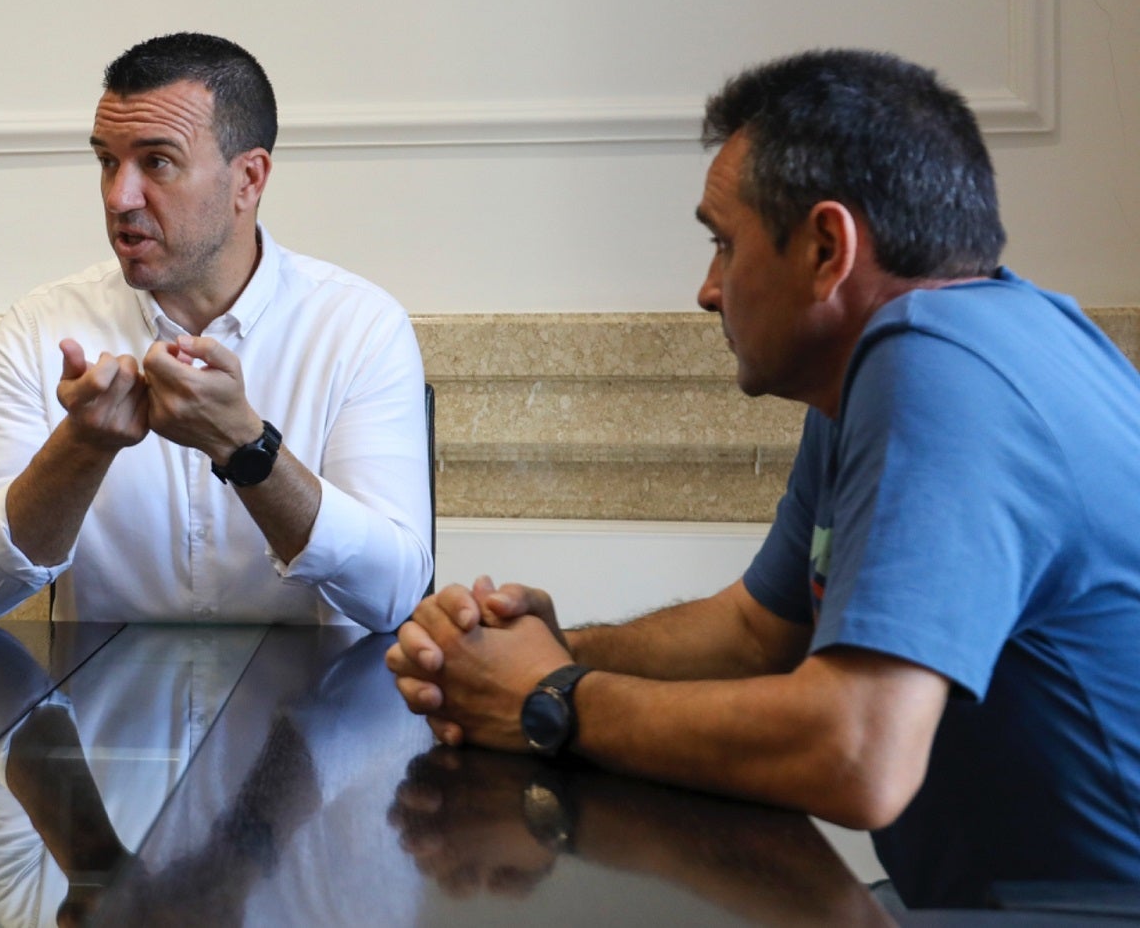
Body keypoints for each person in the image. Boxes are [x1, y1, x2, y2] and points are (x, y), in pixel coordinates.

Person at [386, 49, 1140, 909]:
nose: (708, 290)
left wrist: (547, 698)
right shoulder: (926, 352)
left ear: (827, 247)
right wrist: (532, 652)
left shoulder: (939, 364)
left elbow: (858, 753)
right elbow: (755, 632)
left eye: (723, 244)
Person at [0, 33, 431, 632]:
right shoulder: (45, 327)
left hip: (313, 714)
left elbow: (393, 596)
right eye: (107, 161)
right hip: (99, 714)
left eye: (157, 162)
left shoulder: (359, 328)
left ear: (249, 178)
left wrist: (246, 448)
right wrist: (82, 447)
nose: (120, 197)